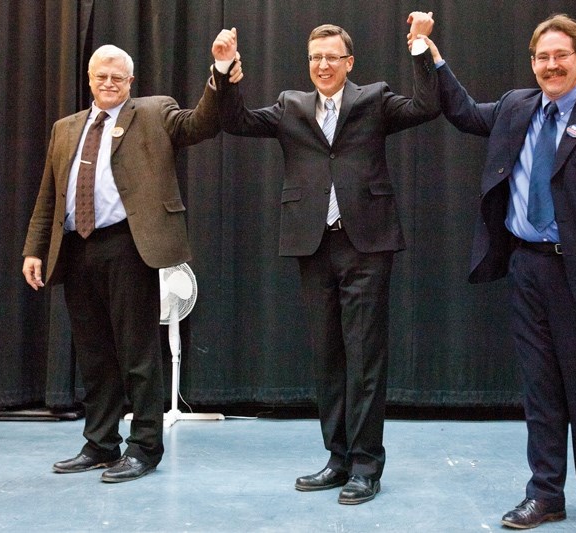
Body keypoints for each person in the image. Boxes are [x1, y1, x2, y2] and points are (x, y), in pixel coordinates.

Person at [419, 13, 576, 529]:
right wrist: (430, 55)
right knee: (541, 388)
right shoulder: (514, 107)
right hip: (528, 268)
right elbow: (460, 112)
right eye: (542, 58)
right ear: (533, 63)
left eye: (560, 56)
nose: (551, 66)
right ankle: (545, 494)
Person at [209, 12, 440, 505]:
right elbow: (235, 121)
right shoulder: (291, 105)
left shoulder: (373, 99)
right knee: (328, 355)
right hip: (312, 244)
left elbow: (427, 105)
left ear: (349, 61)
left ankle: (366, 466)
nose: (322, 65)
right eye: (315, 58)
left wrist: (420, 46)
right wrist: (225, 71)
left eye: (331, 57)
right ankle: (337, 459)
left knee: (365, 357)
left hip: (367, 243)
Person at [21, 44, 242, 483]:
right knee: (94, 354)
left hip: (128, 246)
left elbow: (201, 123)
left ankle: (144, 447)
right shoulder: (64, 129)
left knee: (138, 353)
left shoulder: (154, 112)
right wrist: (34, 249)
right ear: (89, 79)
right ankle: (101, 443)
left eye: (117, 78)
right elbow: (49, 195)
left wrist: (219, 69)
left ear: (130, 82)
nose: (108, 84)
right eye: (101, 77)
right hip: (75, 247)